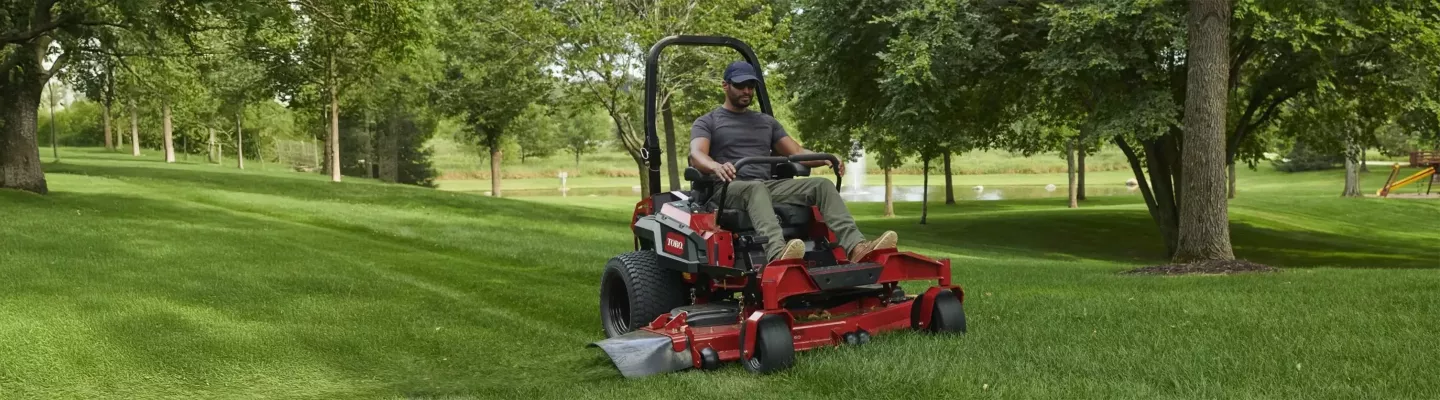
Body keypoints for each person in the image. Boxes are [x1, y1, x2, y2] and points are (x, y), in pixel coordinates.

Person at [688, 61, 898, 263]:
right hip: (727, 190)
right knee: (755, 188)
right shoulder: (709, 121)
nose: (747, 91)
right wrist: (716, 166)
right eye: (740, 85)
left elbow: (796, 151)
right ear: (725, 85)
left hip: (764, 186)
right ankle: (778, 253)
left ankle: (856, 247)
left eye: (751, 86)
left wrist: (825, 157)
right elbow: (697, 154)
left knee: (821, 185)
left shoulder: (766, 122)